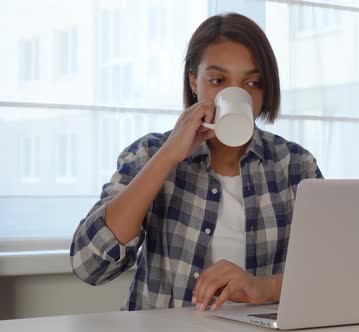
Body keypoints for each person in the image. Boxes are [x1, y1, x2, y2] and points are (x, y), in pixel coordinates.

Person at [70, 12, 323, 312]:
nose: (237, 94)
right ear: (193, 81)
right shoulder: (150, 153)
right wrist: (168, 156)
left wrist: (261, 288)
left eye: (252, 83)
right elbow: (89, 265)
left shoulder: (296, 166)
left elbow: (332, 274)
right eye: (218, 80)